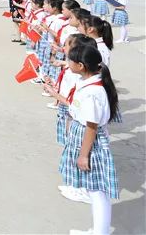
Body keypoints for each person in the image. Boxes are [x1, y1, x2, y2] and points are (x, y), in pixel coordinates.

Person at [47, 42, 119, 235]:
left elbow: (91, 125)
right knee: (95, 189)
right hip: (84, 135)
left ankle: (100, 232)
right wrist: (57, 94)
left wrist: (84, 155)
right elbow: (77, 108)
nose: (67, 63)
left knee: (98, 191)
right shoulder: (88, 83)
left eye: (70, 60)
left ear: (81, 66)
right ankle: (99, 230)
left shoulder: (93, 92)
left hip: (90, 140)